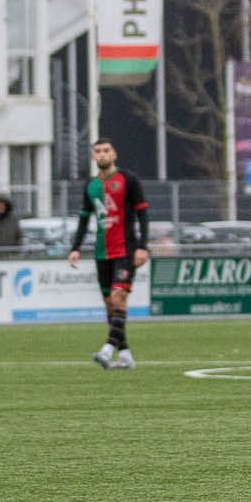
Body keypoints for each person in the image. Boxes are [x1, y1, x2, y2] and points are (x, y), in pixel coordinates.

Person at [67, 140, 148, 371]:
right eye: (98, 152)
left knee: (118, 295)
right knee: (109, 305)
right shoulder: (91, 185)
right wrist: (75, 247)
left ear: (114, 153)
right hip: (102, 252)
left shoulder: (129, 180)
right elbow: (84, 219)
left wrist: (143, 246)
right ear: (93, 156)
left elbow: (143, 214)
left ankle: (107, 349)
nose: (102, 155)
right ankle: (124, 354)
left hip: (126, 248)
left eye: (106, 151)